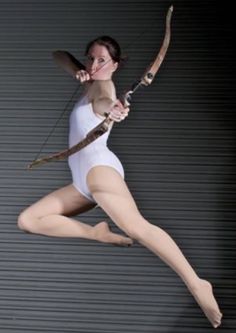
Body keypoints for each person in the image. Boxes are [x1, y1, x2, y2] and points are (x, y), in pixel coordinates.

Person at [18, 36, 222, 328]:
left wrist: (113, 110)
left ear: (115, 64)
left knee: (136, 227)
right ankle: (96, 233)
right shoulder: (89, 80)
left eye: (101, 60)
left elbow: (105, 103)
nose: (94, 64)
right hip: (81, 180)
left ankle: (197, 283)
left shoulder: (103, 87)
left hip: (98, 170)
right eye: (90, 58)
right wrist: (77, 68)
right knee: (29, 220)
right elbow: (59, 53)